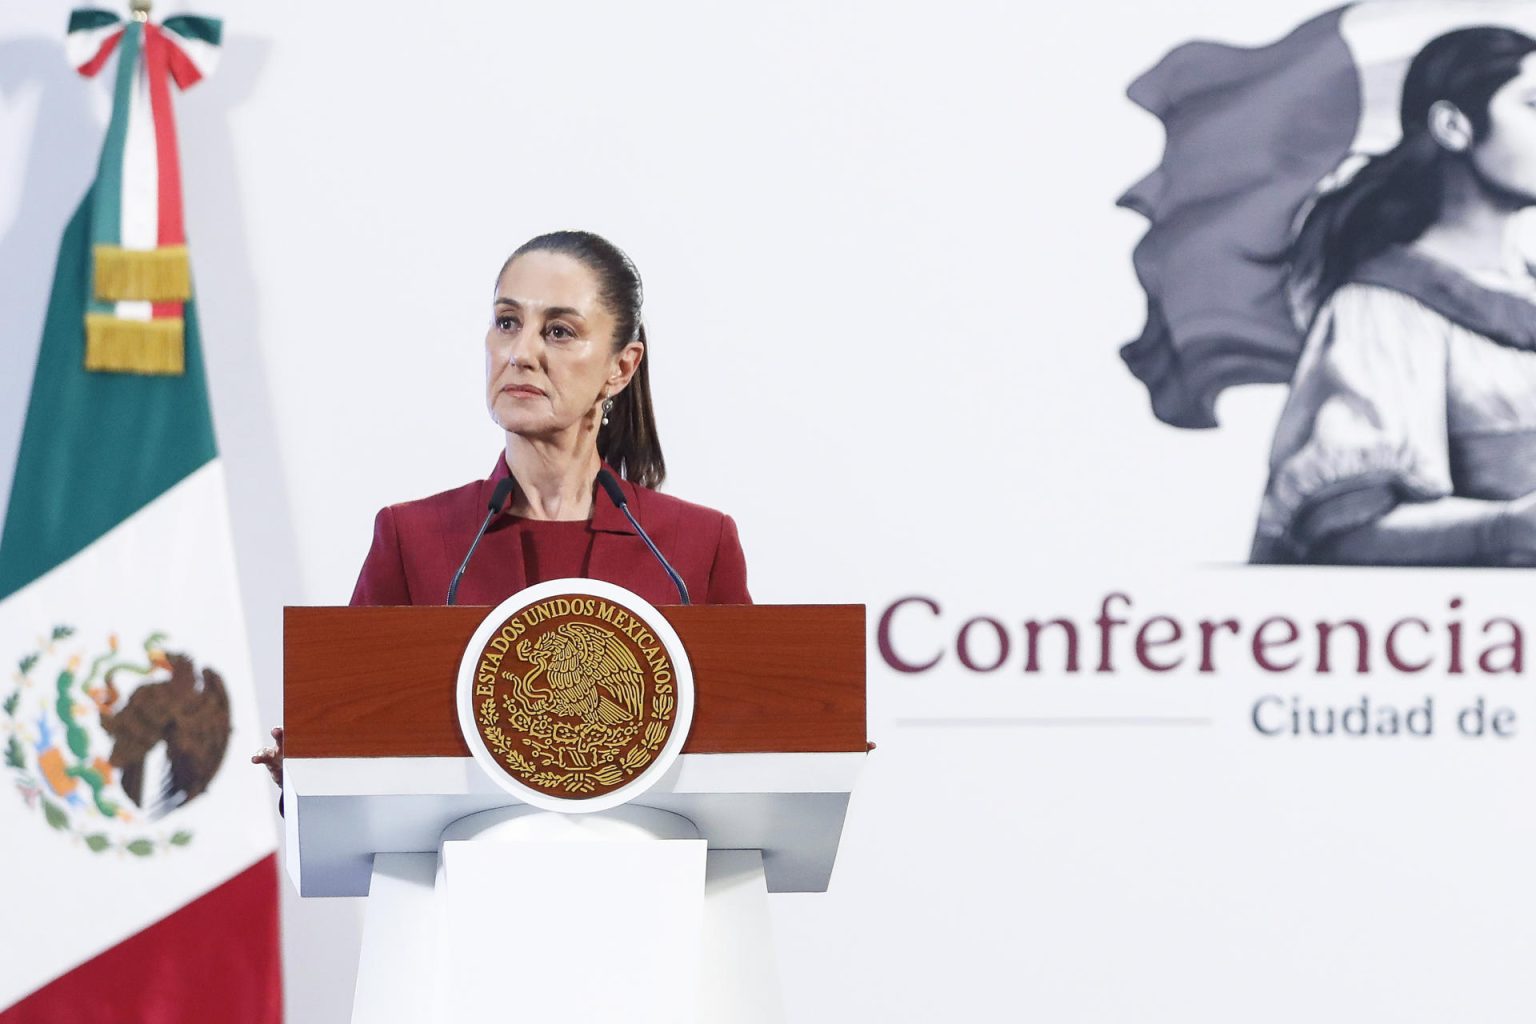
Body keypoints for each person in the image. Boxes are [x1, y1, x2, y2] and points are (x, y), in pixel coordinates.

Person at [254, 230, 751, 786]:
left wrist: (811, 749)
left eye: (559, 331)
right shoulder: (413, 537)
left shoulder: (693, 546)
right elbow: (349, 739)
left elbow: (753, 740)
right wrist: (312, 768)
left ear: (621, 367)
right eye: (507, 322)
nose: (521, 353)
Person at [1251, 26, 1536, 565]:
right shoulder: (1382, 309)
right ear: (1453, 126)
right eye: (1535, 104)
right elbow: (1344, 532)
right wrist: (1503, 528)